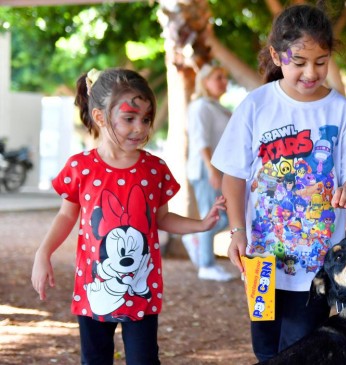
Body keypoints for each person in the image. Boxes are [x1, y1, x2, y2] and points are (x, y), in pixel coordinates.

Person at [31, 68, 226, 365]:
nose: (140, 128)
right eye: (129, 118)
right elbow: (65, 216)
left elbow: (162, 219)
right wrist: (43, 254)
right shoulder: (80, 167)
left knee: (144, 360)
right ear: (99, 117)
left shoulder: (154, 169)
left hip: (142, 291)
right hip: (94, 289)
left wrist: (202, 224)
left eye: (146, 119)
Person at [211, 4, 346, 362]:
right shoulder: (256, 105)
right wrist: (237, 231)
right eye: (299, 62)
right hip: (262, 260)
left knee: (300, 349)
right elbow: (232, 176)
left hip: (317, 264)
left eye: (321, 61)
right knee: (266, 348)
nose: (311, 72)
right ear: (276, 55)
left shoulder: (340, 110)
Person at [183, 62, 234, 281]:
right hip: (206, 170)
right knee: (214, 216)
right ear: (205, 82)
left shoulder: (217, 107)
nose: (224, 82)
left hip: (218, 170)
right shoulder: (200, 107)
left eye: (224, 77)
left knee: (224, 217)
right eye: (218, 77)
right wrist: (211, 170)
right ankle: (205, 264)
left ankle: (196, 239)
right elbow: (200, 141)